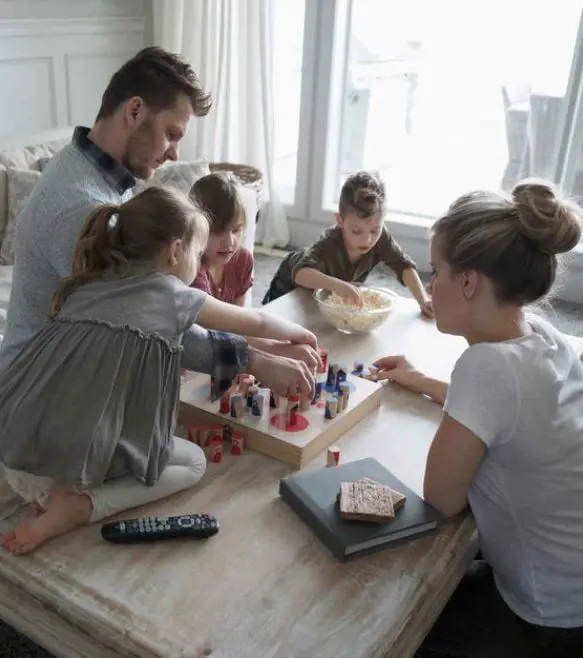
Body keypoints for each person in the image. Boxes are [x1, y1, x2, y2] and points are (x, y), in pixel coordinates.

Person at [0, 186, 318, 556]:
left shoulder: (92, 281)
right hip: (67, 469)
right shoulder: (168, 292)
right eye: (198, 256)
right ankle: (81, 506)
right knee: (193, 462)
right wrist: (301, 335)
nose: (198, 266)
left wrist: (270, 355)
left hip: (19, 457)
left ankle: (63, 496)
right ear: (174, 252)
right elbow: (255, 321)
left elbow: (198, 344)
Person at [0, 46, 310, 400]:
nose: (175, 153)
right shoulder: (79, 206)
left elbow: (156, 300)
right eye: (172, 134)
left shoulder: (92, 174)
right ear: (134, 111)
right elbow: (149, 318)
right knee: (195, 455)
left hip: (70, 375)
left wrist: (261, 344)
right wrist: (256, 359)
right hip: (36, 397)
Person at [374, 179, 583, 657]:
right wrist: (422, 380)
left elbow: (441, 498)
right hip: (574, 582)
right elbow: (512, 413)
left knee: (396, 626)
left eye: (437, 272)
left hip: (547, 615)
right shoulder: (545, 337)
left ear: (468, 282)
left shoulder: (484, 368)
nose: (430, 286)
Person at [190, 172, 321, 371]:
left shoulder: (242, 260)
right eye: (218, 231)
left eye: (236, 230)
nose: (230, 242)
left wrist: (282, 345)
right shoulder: (191, 268)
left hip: (226, 351)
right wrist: (278, 349)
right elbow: (214, 333)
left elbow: (239, 325)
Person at [262, 170, 433, 317]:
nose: (367, 240)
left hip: (325, 290)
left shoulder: (381, 239)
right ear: (340, 221)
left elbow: (404, 266)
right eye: (356, 231)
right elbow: (301, 274)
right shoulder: (330, 242)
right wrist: (339, 286)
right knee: (278, 318)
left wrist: (423, 298)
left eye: (374, 230)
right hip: (291, 279)